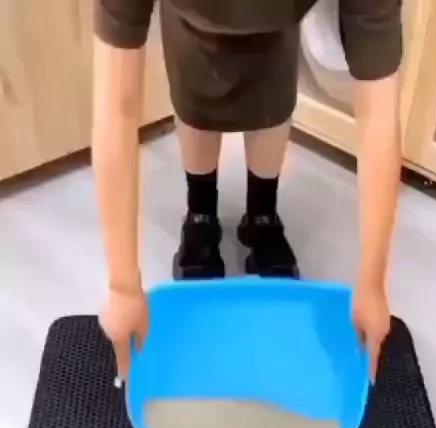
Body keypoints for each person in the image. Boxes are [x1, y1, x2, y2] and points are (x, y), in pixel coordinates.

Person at [94, 0, 403, 382]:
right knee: (195, 90)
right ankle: (200, 214)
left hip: (280, 22)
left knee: (272, 94)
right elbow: (117, 107)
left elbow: (378, 114)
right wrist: (123, 286)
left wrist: (373, 283)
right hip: (192, 25)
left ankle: (262, 216)